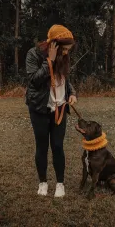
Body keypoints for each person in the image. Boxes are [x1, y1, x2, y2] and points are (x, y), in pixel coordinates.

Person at [25, 24, 77, 197]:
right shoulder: (33, 54)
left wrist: (72, 94)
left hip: (60, 108)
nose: (67, 53)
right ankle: (43, 182)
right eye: (65, 49)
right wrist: (51, 61)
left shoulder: (64, 56)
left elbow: (65, 79)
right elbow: (34, 80)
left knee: (57, 146)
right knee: (42, 147)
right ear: (54, 44)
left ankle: (60, 184)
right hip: (40, 109)